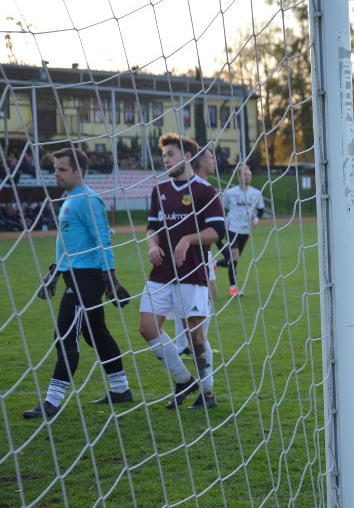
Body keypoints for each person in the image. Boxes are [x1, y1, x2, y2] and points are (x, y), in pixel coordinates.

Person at [23, 147, 133, 419]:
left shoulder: (87, 199)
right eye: (55, 168)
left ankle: (52, 402)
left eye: (62, 169)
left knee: (65, 336)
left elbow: (102, 241)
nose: (56, 173)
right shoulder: (70, 197)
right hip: (75, 275)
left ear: (78, 171)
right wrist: (56, 272)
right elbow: (70, 243)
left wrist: (110, 280)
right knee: (95, 333)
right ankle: (121, 390)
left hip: (88, 279)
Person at [138, 133, 225, 410]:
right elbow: (152, 228)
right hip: (161, 272)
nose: (165, 160)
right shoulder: (159, 191)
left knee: (195, 336)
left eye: (171, 154)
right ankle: (184, 380)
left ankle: (207, 392)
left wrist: (188, 240)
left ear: (187, 156)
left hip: (192, 273)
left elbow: (217, 232)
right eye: (163, 155)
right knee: (147, 328)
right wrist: (152, 245)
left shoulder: (205, 191)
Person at [173, 146, 220, 359]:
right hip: (190, 257)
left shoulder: (207, 189)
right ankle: (184, 346)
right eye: (211, 157)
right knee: (189, 301)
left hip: (203, 256)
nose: (214, 161)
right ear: (201, 162)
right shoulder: (192, 190)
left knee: (210, 297)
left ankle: (193, 343)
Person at [216, 164, 264, 297]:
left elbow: (260, 209)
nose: (247, 177)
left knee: (232, 261)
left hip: (246, 231)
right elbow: (222, 208)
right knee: (234, 257)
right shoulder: (231, 193)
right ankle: (233, 289)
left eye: (249, 175)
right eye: (244, 174)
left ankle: (214, 264)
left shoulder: (256, 193)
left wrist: (256, 219)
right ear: (238, 176)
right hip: (231, 228)